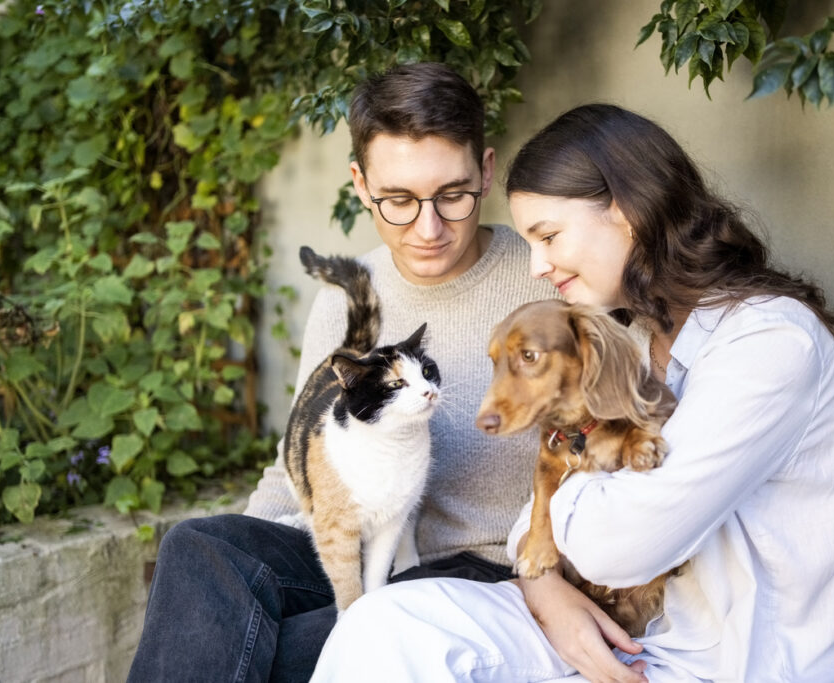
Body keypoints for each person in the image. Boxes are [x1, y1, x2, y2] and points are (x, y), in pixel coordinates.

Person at [311, 103, 834, 682]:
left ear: (628, 212)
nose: (535, 266)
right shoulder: (630, 334)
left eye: (549, 236)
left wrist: (554, 498)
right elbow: (529, 530)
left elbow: (620, 544)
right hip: (606, 624)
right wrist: (544, 588)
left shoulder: (769, 343)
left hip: (723, 664)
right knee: (383, 626)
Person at [126, 63, 551, 682]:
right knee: (201, 548)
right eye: (399, 200)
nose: (428, 228)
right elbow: (297, 460)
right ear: (359, 183)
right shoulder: (348, 298)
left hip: (474, 576)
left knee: (290, 653)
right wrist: (241, 580)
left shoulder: (545, 279)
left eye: (453, 195)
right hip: (349, 548)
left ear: (486, 171)